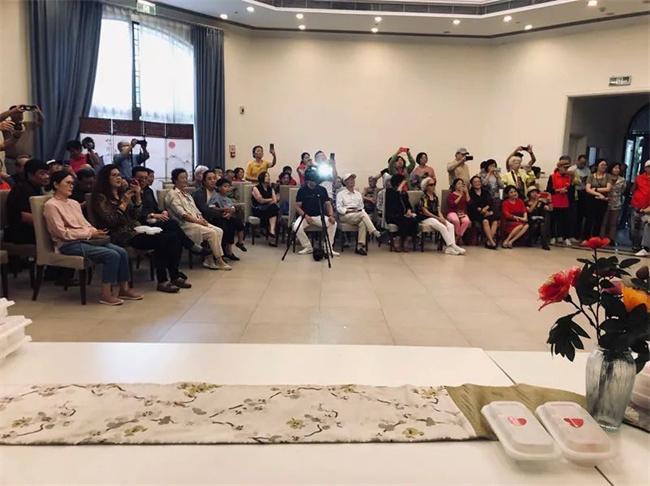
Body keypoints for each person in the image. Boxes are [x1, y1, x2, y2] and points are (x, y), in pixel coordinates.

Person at [44, 171, 143, 305]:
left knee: (122, 252)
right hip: (68, 244)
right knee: (111, 255)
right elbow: (62, 233)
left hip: (86, 239)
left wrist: (95, 231)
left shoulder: (73, 203)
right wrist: (90, 234)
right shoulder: (51, 206)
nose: (71, 186)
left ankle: (124, 289)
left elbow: (84, 224)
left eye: (72, 183)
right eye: (67, 183)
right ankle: (106, 294)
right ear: (56, 185)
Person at [91, 164, 189, 293]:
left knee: (173, 236)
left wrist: (137, 197)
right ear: (105, 178)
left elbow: (135, 215)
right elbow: (111, 220)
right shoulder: (101, 197)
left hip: (135, 229)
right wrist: (124, 203)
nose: (118, 178)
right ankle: (162, 281)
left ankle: (174, 275)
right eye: (114, 175)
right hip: (119, 234)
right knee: (163, 240)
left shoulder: (122, 193)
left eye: (119, 175)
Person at [132, 166, 210, 260]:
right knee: (172, 223)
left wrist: (163, 211)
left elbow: (155, 208)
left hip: (155, 220)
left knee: (175, 236)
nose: (143, 181)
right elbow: (136, 214)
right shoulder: (130, 193)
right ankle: (190, 245)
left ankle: (174, 266)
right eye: (140, 178)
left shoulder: (148, 191)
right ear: (133, 178)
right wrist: (152, 214)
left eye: (145, 178)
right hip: (143, 222)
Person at [164, 168, 232, 270]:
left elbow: (196, 210)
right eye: (182, 178)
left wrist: (201, 219)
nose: (185, 180)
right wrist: (198, 221)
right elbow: (183, 214)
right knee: (212, 233)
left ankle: (209, 259)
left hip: (196, 221)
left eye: (186, 177)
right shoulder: (172, 195)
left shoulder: (187, 194)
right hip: (185, 225)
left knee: (219, 230)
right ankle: (219, 259)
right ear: (175, 179)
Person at [193, 170, 246, 260]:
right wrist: (223, 214)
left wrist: (229, 212)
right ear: (204, 181)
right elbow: (205, 210)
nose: (213, 181)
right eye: (209, 179)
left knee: (234, 220)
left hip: (220, 215)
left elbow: (227, 202)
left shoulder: (217, 190)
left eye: (214, 178)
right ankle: (220, 252)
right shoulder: (199, 193)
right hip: (206, 218)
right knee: (224, 225)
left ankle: (229, 250)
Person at [293, 169, 339, 256]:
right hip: (305, 216)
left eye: (315, 180)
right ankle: (308, 247)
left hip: (319, 216)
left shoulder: (322, 189)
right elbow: (297, 207)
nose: (314, 183)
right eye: (312, 181)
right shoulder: (302, 190)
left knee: (333, 224)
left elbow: (328, 204)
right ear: (307, 180)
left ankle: (328, 248)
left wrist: (331, 215)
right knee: (296, 227)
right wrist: (306, 216)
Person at [4, 159, 49, 245]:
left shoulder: (36, 187)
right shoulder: (24, 190)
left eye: (47, 173)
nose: (47, 176)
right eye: (42, 173)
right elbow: (26, 217)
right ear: (30, 175)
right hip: (20, 233)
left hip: (31, 229)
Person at [336, 173, 382, 256]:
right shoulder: (340, 194)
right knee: (363, 215)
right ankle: (375, 232)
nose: (352, 181)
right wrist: (348, 211)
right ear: (345, 182)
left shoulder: (358, 194)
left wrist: (358, 211)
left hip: (358, 214)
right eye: (349, 179)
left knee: (363, 222)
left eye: (353, 179)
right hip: (345, 215)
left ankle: (359, 246)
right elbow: (339, 208)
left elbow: (361, 207)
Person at [416, 177, 464, 255]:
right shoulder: (424, 197)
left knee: (450, 226)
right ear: (426, 186)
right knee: (442, 227)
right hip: (426, 217)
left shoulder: (435, 197)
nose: (433, 186)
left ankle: (449, 248)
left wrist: (442, 218)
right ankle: (453, 246)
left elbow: (437, 210)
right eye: (431, 185)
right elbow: (425, 212)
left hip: (435, 217)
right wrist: (438, 218)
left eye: (434, 184)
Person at [1, 104, 43, 175]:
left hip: (27, 160)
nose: (19, 115)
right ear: (11, 114)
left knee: (29, 179)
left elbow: (41, 121)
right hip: (12, 160)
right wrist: (12, 111)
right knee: (13, 180)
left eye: (21, 113)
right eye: (16, 113)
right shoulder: (7, 125)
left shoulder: (28, 125)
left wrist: (38, 112)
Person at [385, 174, 418, 252]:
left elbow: (408, 205)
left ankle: (407, 240)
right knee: (403, 221)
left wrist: (409, 211)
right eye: (403, 182)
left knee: (414, 221)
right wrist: (400, 186)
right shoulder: (389, 192)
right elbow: (395, 200)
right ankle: (398, 238)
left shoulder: (404, 193)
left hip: (403, 215)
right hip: (392, 215)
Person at [548, 159, 573, 247]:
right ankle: (552, 237)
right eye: (564, 167)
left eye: (567, 167)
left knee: (565, 220)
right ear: (559, 167)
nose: (566, 169)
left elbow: (571, 190)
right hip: (555, 201)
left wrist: (566, 191)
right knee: (553, 220)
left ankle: (565, 237)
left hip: (565, 202)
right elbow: (549, 190)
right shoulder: (552, 177)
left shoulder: (569, 177)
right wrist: (558, 190)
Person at [468, 175, 498, 249]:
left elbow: (490, 202)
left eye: (478, 181)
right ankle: (491, 241)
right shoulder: (470, 193)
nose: (477, 183)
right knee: (485, 221)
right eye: (475, 182)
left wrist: (486, 208)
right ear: (472, 184)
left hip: (486, 211)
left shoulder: (485, 191)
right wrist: (482, 210)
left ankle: (489, 241)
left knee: (495, 221)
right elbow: (472, 205)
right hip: (476, 213)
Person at [585, 158, 612, 239]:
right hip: (591, 200)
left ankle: (595, 238)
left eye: (605, 165)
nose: (604, 166)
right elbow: (588, 189)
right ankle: (586, 237)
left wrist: (596, 189)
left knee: (599, 220)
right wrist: (598, 194)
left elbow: (608, 188)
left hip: (603, 201)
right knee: (589, 219)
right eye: (602, 165)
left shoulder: (608, 176)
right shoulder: (591, 176)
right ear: (597, 166)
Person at [252, 171, 279, 246]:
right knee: (274, 209)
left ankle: (272, 231)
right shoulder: (256, 188)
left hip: (268, 208)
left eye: (268, 176)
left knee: (273, 208)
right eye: (266, 176)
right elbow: (260, 201)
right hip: (258, 209)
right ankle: (272, 232)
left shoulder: (271, 189)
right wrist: (270, 199)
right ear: (262, 177)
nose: (268, 178)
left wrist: (267, 201)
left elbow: (275, 201)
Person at [600, 162, 626, 242]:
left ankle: (611, 239)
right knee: (604, 222)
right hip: (606, 201)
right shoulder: (606, 177)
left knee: (613, 223)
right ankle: (601, 238)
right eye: (615, 168)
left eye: (618, 168)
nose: (617, 170)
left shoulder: (622, 180)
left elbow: (623, 190)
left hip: (616, 203)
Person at [568, 154, 590, 240]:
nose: (582, 165)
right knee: (573, 214)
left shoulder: (587, 170)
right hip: (574, 192)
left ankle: (577, 234)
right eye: (581, 162)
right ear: (578, 161)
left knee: (580, 215)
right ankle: (570, 234)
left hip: (583, 192)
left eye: (584, 163)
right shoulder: (572, 169)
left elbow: (589, 180)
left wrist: (584, 180)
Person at [630, 161, 650, 256]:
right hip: (636, 205)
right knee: (634, 226)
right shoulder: (639, 178)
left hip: (648, 207)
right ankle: (636, 245)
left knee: (645, 226)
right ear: (645, 168)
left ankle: (644, 247)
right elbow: (633, 189)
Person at [446, 178, 471, 246]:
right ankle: (459, 238)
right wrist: (460, 196)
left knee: (466, 221)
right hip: (452, 212)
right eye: (459, 184)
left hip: (462, 213)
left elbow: (469, 202)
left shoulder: (465, 194)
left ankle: (457, 237)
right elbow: (453, 204)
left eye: (462, 184)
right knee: (455, 220)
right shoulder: (451, 195)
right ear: (455, 186)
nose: (461, 185)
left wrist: (466, 192)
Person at [526, 187, 551, 251]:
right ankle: (530, 240)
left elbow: (550, 209)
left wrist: (549, 200)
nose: (535, 194)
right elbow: (530, 211)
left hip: (540, 222)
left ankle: (544, 243)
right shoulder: (526, 203)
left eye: (536, 192)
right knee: (537, 224)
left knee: (541, 223)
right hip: (530, 222)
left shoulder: (541, 203)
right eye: (533, 192)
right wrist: (536, 201)